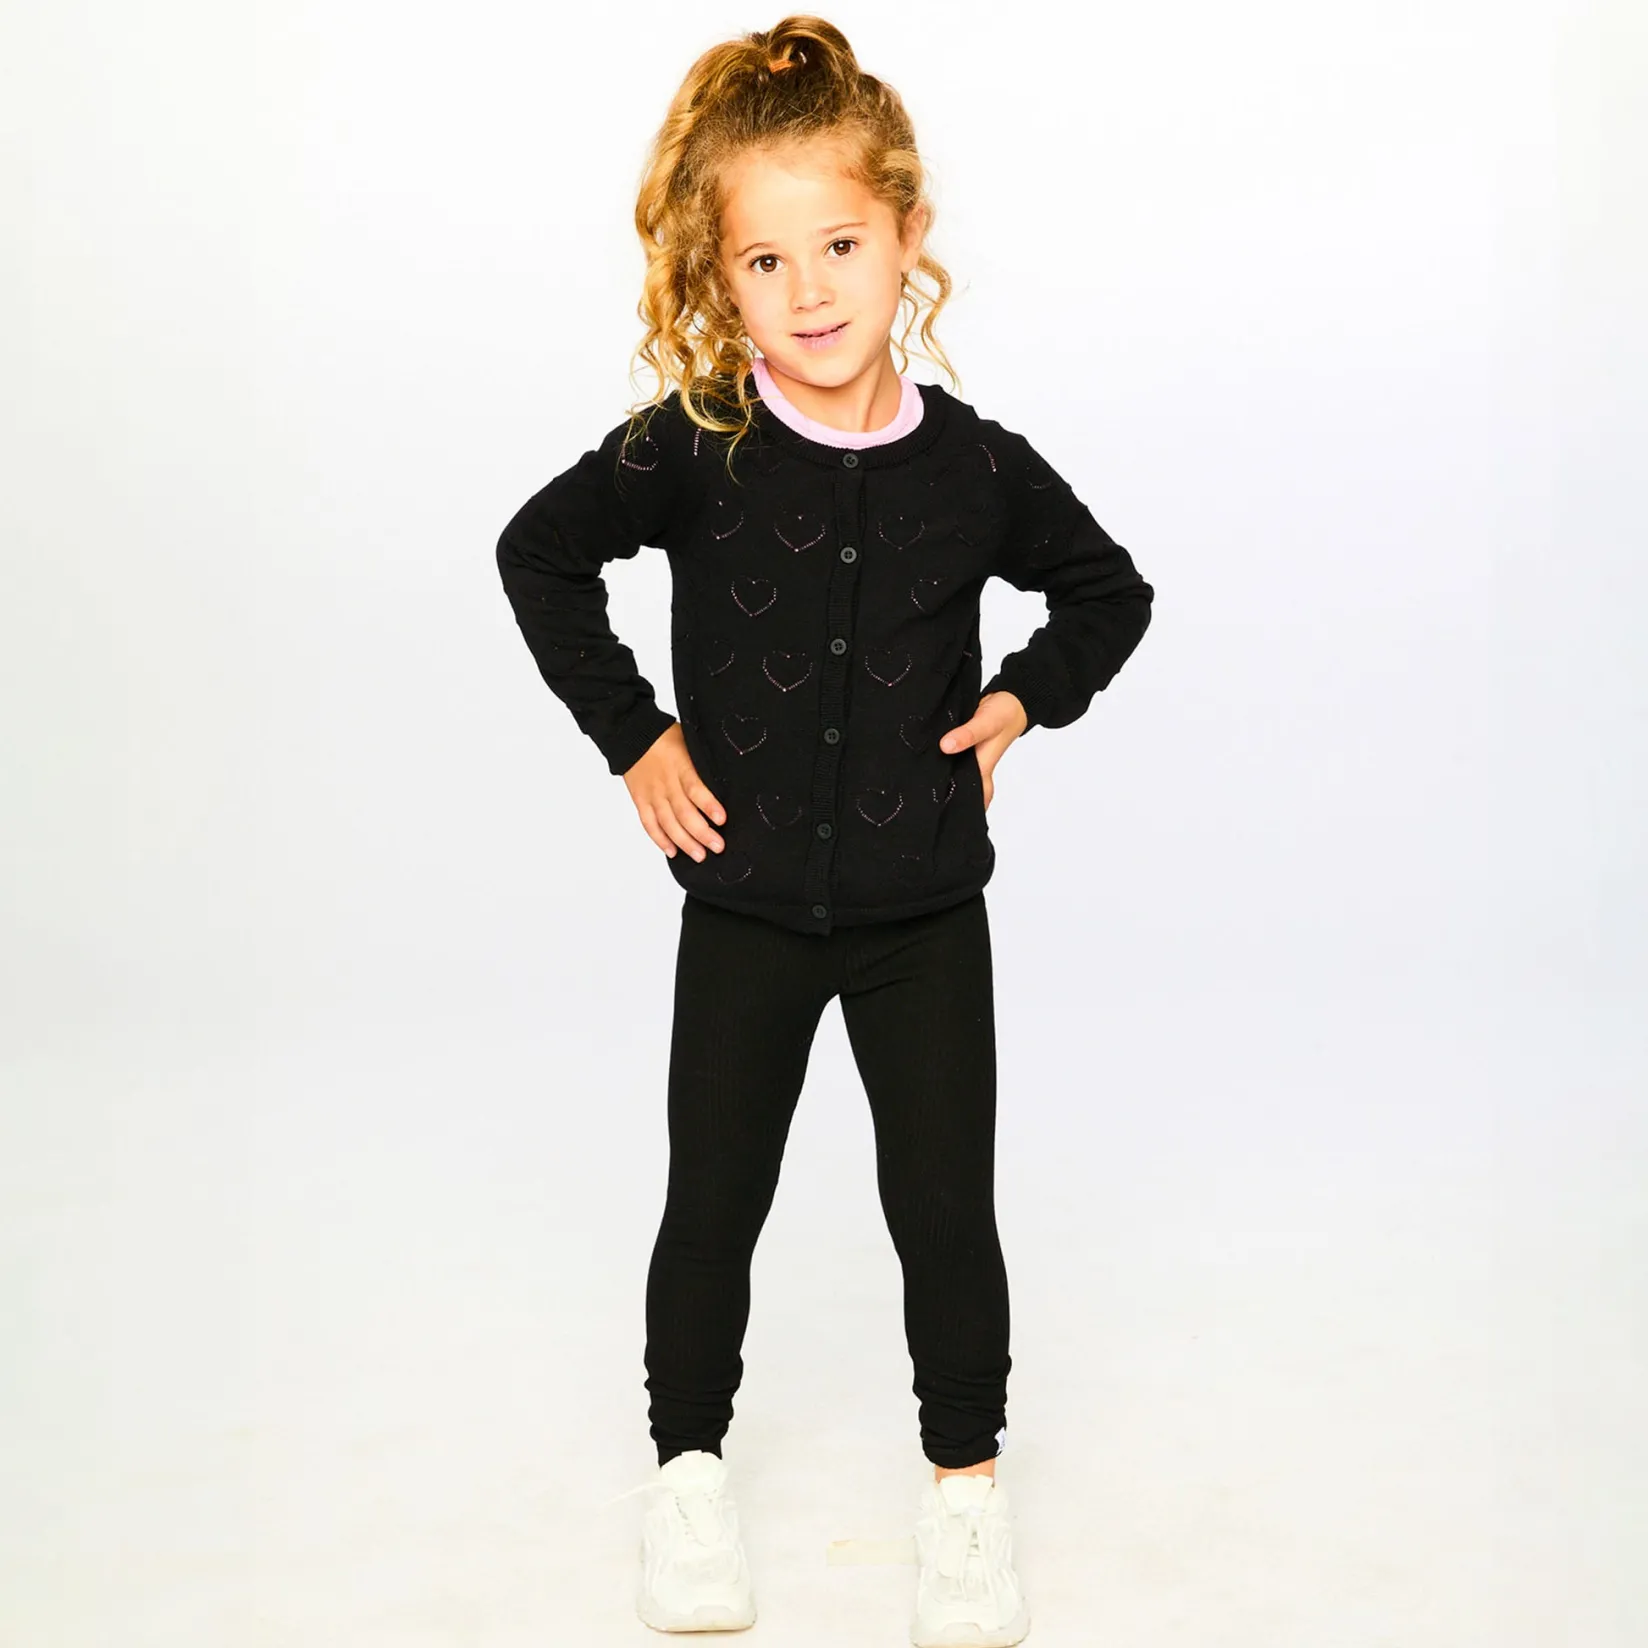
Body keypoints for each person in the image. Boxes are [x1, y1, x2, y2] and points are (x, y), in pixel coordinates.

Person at [494, 16, 1154, 1644]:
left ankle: (965, 1491)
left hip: (926, 921)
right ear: (720, 281)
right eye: (766, 260)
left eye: (841, 246)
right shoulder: (699, 446)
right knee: (714, 1201)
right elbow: (538, 552)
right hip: (743, 912)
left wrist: (1022, 700)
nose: (809, 291)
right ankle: (688, 1475)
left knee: (944, 1212)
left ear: (907, 236)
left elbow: (1109, 592)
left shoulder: (976, 468)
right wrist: (636, 735)